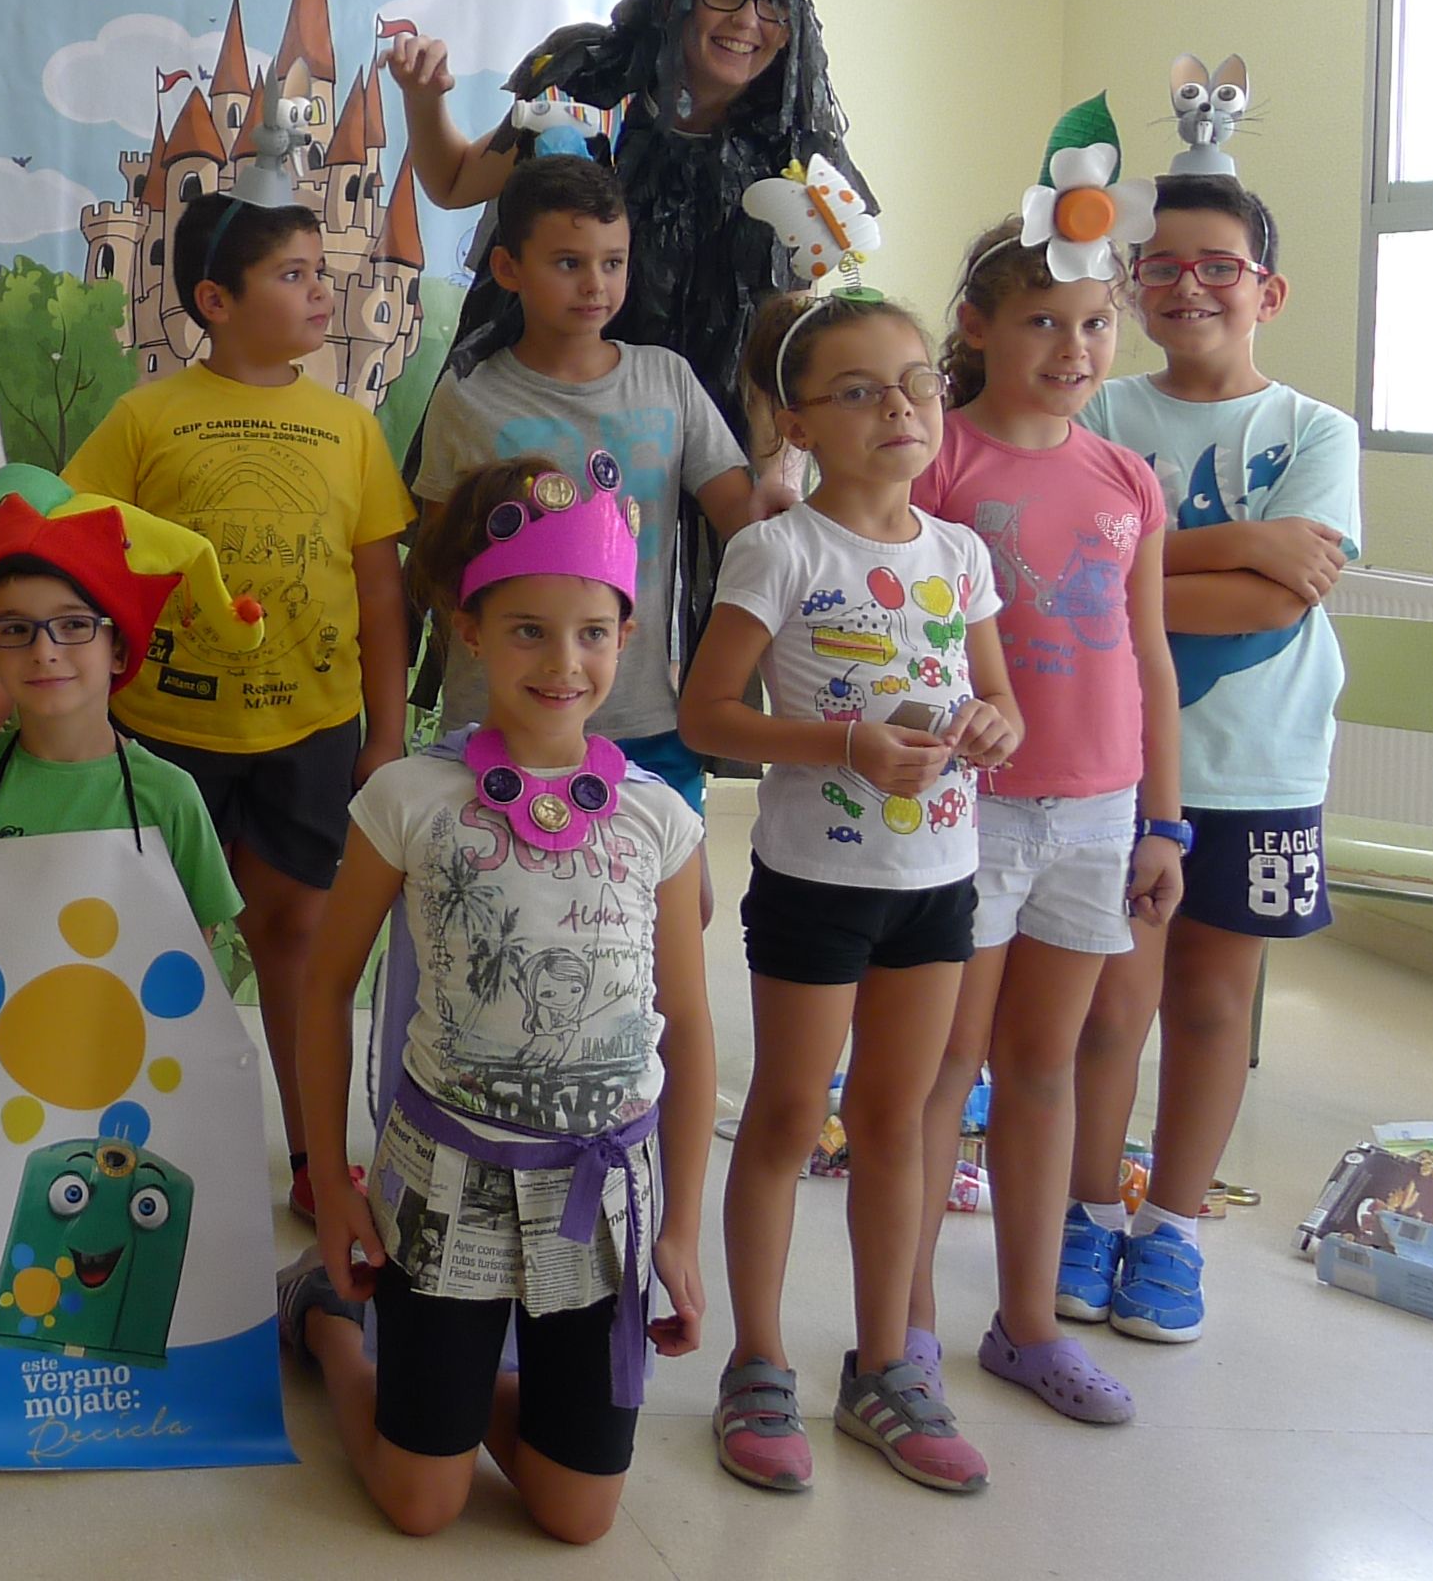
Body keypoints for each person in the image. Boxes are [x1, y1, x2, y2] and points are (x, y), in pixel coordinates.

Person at [282, 454, 713, 1543]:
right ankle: (331, 1328)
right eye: (525, 629)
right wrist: (334, 1187)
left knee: (575, 1520)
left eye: (590, 633)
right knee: (419, 1506)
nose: (561, 661)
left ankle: (457, 1397)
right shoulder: (406, 798)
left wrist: (678, 1230)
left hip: (599, 1198)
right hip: (444, 1183)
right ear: (468, 632)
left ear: (624, 637)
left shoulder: (659, 818)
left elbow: (690, 1027)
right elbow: (325, 984)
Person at [682, 286, 1021, 1495]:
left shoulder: (960, 554)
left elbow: (1003, 703)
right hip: (819, 883)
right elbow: (705, 714)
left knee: (894, 1125)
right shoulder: (776, 549)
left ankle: (884, 1367)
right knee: (783, 1120)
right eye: (860, 390)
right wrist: (843, 747)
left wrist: (985, 724)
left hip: (938, 882)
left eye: (918, 381)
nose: (900, 407)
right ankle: (757, 1364)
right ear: (795, 421)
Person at [48, 190, 409, 1222]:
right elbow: (72, 559)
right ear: (214, 298)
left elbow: (379, 592)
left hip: (308, 729)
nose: (319, 292)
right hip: (163, 735)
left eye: (320, 274)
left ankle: (311, 1161)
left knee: (293, 939)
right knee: (167, 947)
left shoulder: (350, 427)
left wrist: (384, 735)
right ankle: (133, 1161)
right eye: (292, 274)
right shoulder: (142, 417)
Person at [907, 200, 1185, 1424]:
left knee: (1041, 1070)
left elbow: (1149, 656)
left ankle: (1024, 1329)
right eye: (1040, 322)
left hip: (1095, 814)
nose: (1072, 349)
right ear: (974, 325)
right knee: (938, 1070)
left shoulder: (1126, 475)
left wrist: (1161, 821)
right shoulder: (936, 461)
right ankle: (898, 1328)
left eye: (1092, 322)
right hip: (967, 813)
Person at [1071, 174, 1359, 1349]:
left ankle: (1171, 1230)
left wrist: (1145, 567)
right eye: (1159, 265)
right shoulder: (1094, 413)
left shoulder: (1314, 432)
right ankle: (1085, 1214)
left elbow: (1270, 604)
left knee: (1207, 1004)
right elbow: (1074, 578)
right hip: (1110, 759)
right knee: (1110, 1001)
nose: (1185, 284)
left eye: (1215, 265)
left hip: (1259, 762)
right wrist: (1242, 540)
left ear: (1266, 290)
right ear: (1128, 285)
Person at [390, 0, 882, 454]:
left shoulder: (791, 151)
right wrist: (424, 100)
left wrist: (773, 475)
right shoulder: (589, 82)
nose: (749, 21)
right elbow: (452, 182)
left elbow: (784, 338)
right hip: (547, 404)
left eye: (774, 1)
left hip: (700, 439)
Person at [413, 154, 781, 812]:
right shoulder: (468, 396)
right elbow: (437, 566)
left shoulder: (665, 379)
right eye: (568, 263)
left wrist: (785, 471)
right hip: (496, 722)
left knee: (665, 908)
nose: (595, 284)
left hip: (642, 722)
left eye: (612, 262)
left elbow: (747, 527)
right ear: (508, 270)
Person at [0, 468, 246, 947]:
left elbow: (191, 961)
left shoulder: (170, 795)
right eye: (15, 629)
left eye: (74, 625)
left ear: (117, 649)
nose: (45, 650)